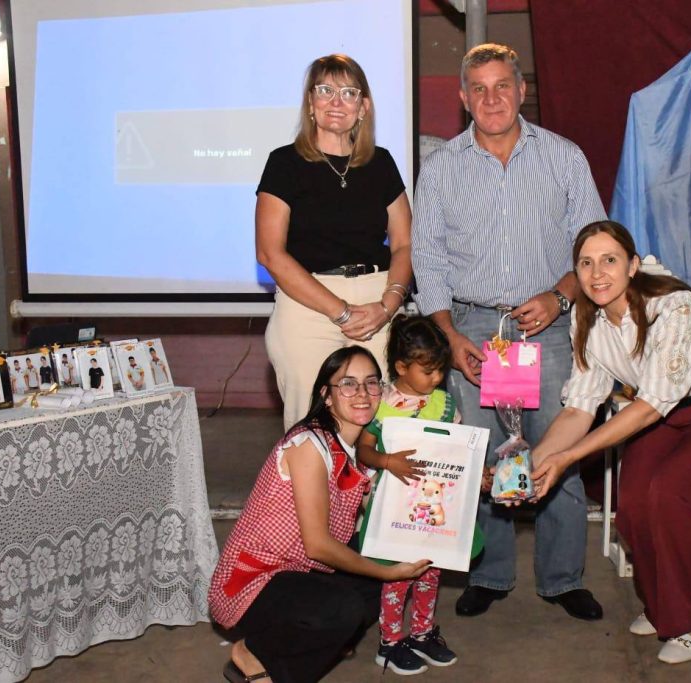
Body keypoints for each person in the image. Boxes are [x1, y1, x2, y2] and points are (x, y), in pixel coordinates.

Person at [411, 42, 607, 620]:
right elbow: (428, 259)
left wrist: (560, 295)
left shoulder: (564, 157)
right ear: (463, 97)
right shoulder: (441, 167)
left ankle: (563, 578)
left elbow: (594, 242)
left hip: (548, 326)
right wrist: (448, 334)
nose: (492, 98)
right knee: (479, 454)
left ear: (522, 91)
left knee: (557, 450)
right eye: (479, 88)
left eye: (503, 86)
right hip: (473, 328)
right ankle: (489, 574)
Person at [529, 221, 691, 663]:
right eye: (586, 263)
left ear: (633, 265)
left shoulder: (671, 305)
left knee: (671, 496)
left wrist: (569, 457)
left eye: (610, 260)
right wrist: (531, 463)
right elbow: (579, 408)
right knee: (635, 503)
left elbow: (653, 403)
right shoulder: (587, 319)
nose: (597, 273)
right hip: (663, 412)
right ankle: (663, 609)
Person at [209, 347, 430, 683]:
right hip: (254, 582)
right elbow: (317, 545)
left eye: (371, 383)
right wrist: (386, 572)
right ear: (327, 395)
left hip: (300, 573)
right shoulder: (310, 445)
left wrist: (471, 484)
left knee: (384, 560)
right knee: (346, 605)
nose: (362, 394)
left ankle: (311, 642)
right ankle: (253, 652)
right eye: (348, 384)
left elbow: (393, 508)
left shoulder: (353, 447)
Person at [257, 54, 413, 430]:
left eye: (348, 92)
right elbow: (269, 253)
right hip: (307, 305)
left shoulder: (382, 163)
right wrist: (340, 311)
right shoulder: (284, 163)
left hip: (378, 301)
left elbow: (405, 244)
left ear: (363, 107)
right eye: (325, 90)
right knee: (312, 426)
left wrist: (388, 305)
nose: (336, 101)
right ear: (311, 104)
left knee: (383, 426)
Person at [356, 316, 460, 675]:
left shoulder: (444, 403)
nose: (437, 378)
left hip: (432, 506)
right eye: (428, 371)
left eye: (441, 370)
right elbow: (363, 451)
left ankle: (421, 634)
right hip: (393, 507)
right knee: (397, 575)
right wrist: (387, 461)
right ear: (401, 367)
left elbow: (457, 449)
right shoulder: (381, 404)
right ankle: (390, 642)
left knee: (430, 571)